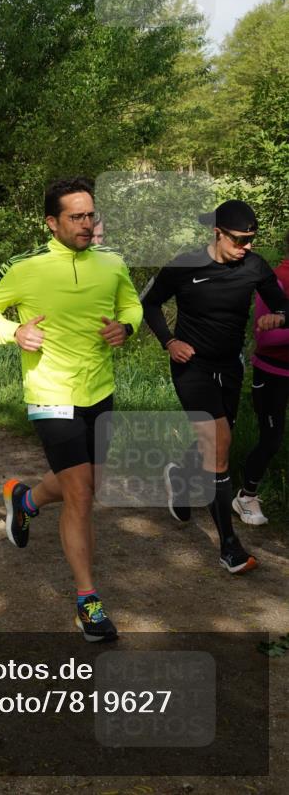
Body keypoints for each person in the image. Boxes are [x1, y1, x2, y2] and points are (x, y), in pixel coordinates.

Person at [0, 177, 142, 642]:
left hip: (100, 390)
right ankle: (89, 603)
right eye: (76, 217)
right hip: (50, 393)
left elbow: (131, 304)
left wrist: (126, 327)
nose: (87, 224)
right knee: (81, 495)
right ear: (52, 222)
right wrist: (14, 332)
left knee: (88, 483)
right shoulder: (26, 266)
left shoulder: (111, 262)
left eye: (91, 215)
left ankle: (25, 501)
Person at [142, 200, 288, 573]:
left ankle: (180, 474)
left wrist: (278, 316)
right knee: (219, 444)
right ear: (217, 233)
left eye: (251, 239)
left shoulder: (254, 266)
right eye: (239, 239)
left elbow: (283, 306)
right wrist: (169, 342)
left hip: (230, 367)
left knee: (219, 441)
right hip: (191, 367)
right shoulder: (185, 264)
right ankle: (229, 547)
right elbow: (150, 304)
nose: (246, 247)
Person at [233, 229, 289, 525]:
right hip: (272, 372)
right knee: (271, 439)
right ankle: (246, 496)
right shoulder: (277, 279)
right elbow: (264, 338)